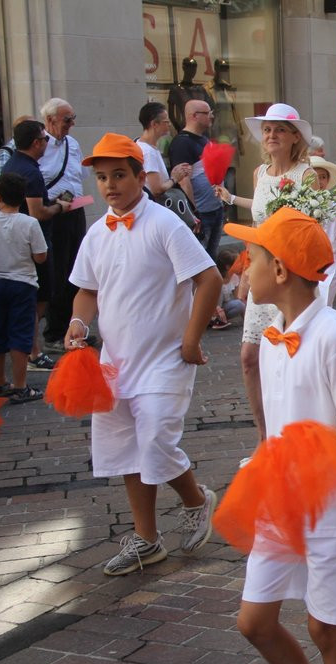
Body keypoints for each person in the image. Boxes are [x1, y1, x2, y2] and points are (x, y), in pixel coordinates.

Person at [226, 208, 336, 664]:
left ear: (281, 271)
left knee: (325, 628)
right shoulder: (274, 332)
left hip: (334, 508)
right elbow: (275, 426)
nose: (244, 267)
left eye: (255, 258)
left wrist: (302, 443)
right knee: (254, 622)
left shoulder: (335, 335)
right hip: (282, 499)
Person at [65, 133, 222, 575]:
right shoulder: (97, 233)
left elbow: (208, 280)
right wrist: (79, 323)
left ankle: (195, 500)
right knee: (125, 450)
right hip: (114, 362)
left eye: (119, 174)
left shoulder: (164, 223)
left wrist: (191, 341)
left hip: (165, 357)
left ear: (140, 176)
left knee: (154, 439)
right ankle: (147, 539)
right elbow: (86, 291)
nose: (110, 184)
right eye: (102, 177)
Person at [214, 103, 316, 446]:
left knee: (287, 356)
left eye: (279, 130)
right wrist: (247, 267)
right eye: (267, 130)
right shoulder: (259, 173)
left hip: (289, 276)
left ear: (293, 137)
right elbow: (258, 217)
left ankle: (292, 432)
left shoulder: (307, 175)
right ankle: (264, 436)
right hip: (260, 270)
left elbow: (309, 229)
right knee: (249, 356)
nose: (272, 135)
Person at [0, 120, 71, 372]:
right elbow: (37, 212)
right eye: (44, 139)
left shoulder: (17, 165)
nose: (47, 143)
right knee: (38, 300)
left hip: (16, 249)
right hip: (33, 245)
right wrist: (59, 207)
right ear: (36, 143)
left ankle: (29, 350)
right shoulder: (28, 171)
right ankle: (33, 352)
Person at [38, 98, 89, 356]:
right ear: (50, 120)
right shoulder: (39, 146)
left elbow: (80, 175)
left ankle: (76, 327)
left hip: (75, 210)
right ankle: (54, 332)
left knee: (77, 268)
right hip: (54, 213)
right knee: (57, 272)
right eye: (66, 119)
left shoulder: (73, 144)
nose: (72, 124)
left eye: (72, 118)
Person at [0, 173, 48, 404]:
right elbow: (40, 257)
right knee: (21, 334)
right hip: (23, 284)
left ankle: (0, 382)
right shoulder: (30, 223)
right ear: (23, 198)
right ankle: (20, 386)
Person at [170, 99, 225, 259]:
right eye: (207, 113)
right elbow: (184, 180)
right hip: (201, 213)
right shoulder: (182, 143)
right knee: (200, 259)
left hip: (215, 208)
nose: (211, 117)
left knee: (212, 257)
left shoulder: (204, 139)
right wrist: (194, 214)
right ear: (194, 116)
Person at [309, 156, 336, 306]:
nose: (319, 182)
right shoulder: (299, 205)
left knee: (324, 306)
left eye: (323, 177)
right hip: (305, 262)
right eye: (315, 177)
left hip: (330, 264)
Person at [136, 102, 192, 198]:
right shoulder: (148, 152)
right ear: (154, 124)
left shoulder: (145, 146)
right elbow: (156, 190)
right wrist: (174, 179)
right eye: (166, 121)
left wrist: (174, 174)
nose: (169, 125)